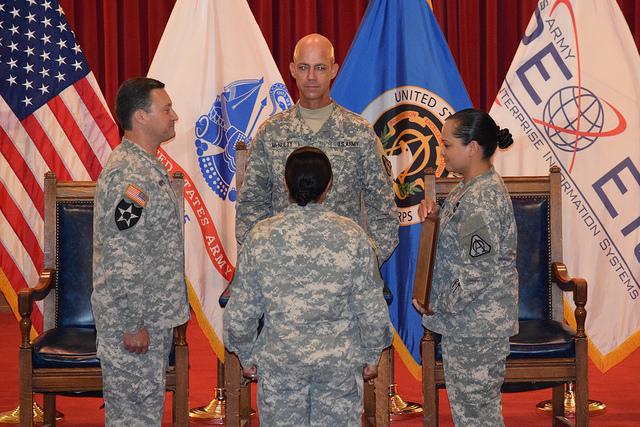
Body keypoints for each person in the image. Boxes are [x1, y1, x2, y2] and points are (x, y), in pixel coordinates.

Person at [224, 146, 393, 426]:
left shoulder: (261, 236)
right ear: (329, 185)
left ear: (285, 183)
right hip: (338, 364)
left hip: (281, 362)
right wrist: (372, 353)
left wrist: (245, 354)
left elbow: (241, 310)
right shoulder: (353, 236)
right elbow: (370, 306)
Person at [235, 33, 398, 263]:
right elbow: (250, 205)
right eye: (304, 67)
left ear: (334, 70)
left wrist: (365, 263)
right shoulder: (270, 133)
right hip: (281, 269)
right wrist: (266, 261)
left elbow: (384, 210)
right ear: (292, 70)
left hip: (344, 271)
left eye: (320, 67)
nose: (311, 77)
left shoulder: (359, 132)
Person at [91, 77, 189, 426]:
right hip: (133, 322)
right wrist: (133, 324)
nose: (174, 115)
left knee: (144, 415)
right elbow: (122, 255)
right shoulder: (129, 175)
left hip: (149, 316)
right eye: (166, 109)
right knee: (133, 419)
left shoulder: (146, 165)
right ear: (141, 117)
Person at [413, 108, 518, 426]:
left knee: (476, 416)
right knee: (473, 413)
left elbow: (476, 274)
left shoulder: (479, 199)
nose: (442, 152)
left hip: (477, 327)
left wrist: (436, 304)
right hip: (471, 324)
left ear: (472, 147)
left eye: (447, 145)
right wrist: (433, 219)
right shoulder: (469, 188)